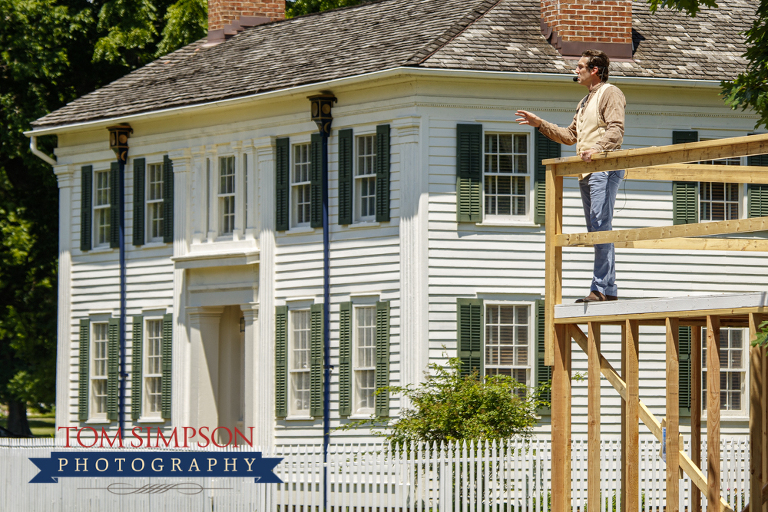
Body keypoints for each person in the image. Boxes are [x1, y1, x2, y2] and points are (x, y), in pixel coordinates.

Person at [516, 49, 626, 303]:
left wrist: (597, 149)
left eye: (580, 66)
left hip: (603, 167)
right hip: (586, 170)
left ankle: (602, 288)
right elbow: (570, 136)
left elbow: (616, 130)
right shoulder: (585, 102)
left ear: (594, 70)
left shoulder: (611, 93)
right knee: (595, 229)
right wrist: (540, 124)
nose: (576, 70)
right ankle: (605, 288)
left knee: (601, 227)